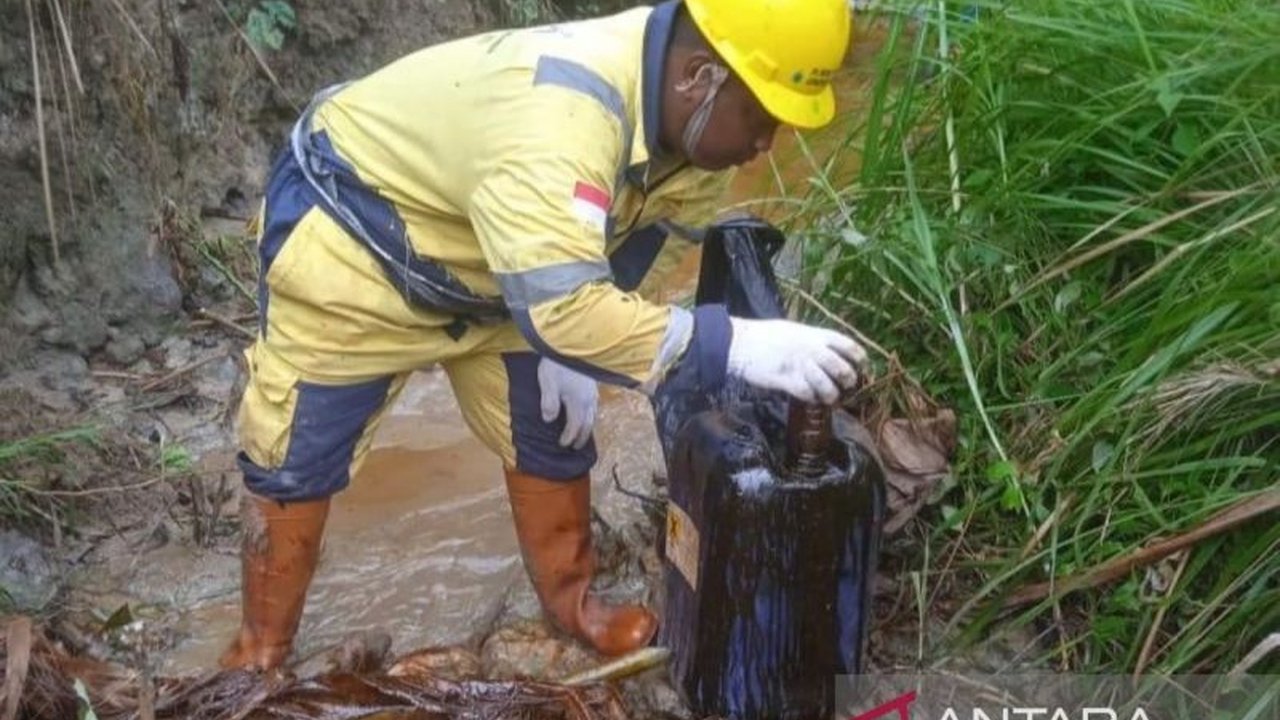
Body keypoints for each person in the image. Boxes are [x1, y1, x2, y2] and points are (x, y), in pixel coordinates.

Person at [220, 0, 866, 671]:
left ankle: (573, 605)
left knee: (552, 430)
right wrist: (730, 344)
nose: (766, 144)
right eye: (761, 117)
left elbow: (646, 244)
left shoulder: (693, 141)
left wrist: (589, 348)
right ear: (697, 76)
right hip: (358, 241)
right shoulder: (563, 117)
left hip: (502, 266)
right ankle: (262, 651)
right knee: (295, 459)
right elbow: (562, 310)